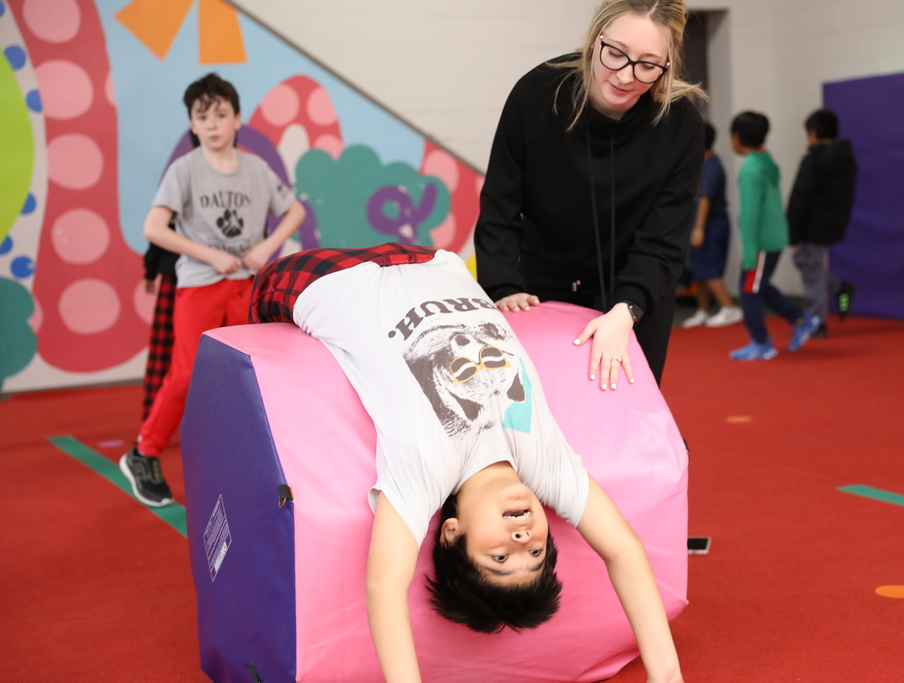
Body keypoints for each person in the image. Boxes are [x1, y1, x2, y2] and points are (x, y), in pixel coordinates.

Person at [249, 244, 685, 683]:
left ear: (452, 534)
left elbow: (384, 587)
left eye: (500, 556)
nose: (521, 537)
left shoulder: (424, 476)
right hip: (431, 261)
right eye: (535, 552)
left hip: (328, 277)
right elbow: (623, 549)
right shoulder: (549, 467)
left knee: (253, 305)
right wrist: (665, 672)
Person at [473, 0, 705, 391]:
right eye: (614, 53)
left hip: (633, 287)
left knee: (624, 411)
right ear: (594, 40)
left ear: (667, 65)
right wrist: (504, 287)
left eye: (648, 65)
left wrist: (627, 308)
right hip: (540, 285)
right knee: (543, 415)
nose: (625, 76)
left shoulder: (680, 124)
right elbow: (500, 203)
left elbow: (664, 239)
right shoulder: (537, 94)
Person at [120, 73, 306, 506]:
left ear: (237, 118)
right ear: (192, 123)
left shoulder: (256, 169)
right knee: (186, 373)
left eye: (221, 114)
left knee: (246, 375)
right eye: (202, 116)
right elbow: (154, 228)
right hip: (201, 286)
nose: (213, 123)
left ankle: (248, 465)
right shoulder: (184, 170)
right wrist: (207, 254)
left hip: (244, 285)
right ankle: (143, 452)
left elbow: (294, 211)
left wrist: (265, 246)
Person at [728, 111, 819, 361]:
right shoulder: (765, 159)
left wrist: (749, 253)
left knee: (748, 291)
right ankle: (801, 320)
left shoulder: (750, 169)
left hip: (760, 244)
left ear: (736, 138)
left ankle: (761, 343)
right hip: (773, 240)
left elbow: (750, 215)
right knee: (760, 286)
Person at [787, 108, 858, 337]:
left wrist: (792, 232)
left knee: (812, 272)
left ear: (813, 133)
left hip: (811, 225)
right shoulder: (846, 160)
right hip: (832, 222)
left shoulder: (813, 160)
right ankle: (839, 288)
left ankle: (817, 322)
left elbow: (800, 197)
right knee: (808, 264)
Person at [680, 122, 742, 329]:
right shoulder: (702, 163)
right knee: (699, 270)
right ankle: (703, 310)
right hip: (703, 225)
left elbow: (705, 199)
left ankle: (729, 307)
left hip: (711, 226)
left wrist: (698, 228)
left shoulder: (712, 165)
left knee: (710, 270)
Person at [141, 240, 178, 420]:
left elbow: (160, 232)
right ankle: (153, 420)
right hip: (230, 273)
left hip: (180, 273)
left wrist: (150, 270)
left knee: (163, 352)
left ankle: (152, 418)